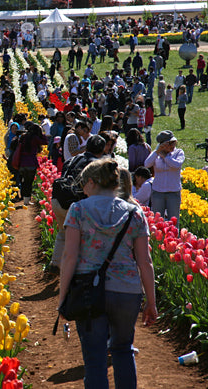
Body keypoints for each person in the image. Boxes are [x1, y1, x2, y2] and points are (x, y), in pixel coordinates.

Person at [58, 158, 157, 389]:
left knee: (95, 360)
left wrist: (63, 298)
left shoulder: (78, 209)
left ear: (92, 182)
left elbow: (69, 257)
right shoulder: (135, 212)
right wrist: (150, 302)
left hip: (89, 292)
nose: (82, 188)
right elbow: (145, 261)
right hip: (127, 291)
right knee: (123, 351)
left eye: (83, 183)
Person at [48, 135, 106, 273]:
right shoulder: (95, 165)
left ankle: (55, 264)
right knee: (81, 237)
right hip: (74, 205)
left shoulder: (73, 159)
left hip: (57, 200)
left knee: (63, 232)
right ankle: (76, 270)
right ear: (102, 150)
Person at [144, 130, 185, 224]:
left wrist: (165, 157)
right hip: (158, 191)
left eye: (173, 143)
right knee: (157, 221)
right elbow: (146, 164)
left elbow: (177, 165)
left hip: (173, 192)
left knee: (174, 221)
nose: (172, 146)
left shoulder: (178, 152)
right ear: (161, 145)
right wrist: (157, 152)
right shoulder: (156, 154)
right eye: (168, 144)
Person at [17, 122, 48, 205]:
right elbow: (45, 142)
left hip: (22, 162)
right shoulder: (35, 138)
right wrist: (42, 134)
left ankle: (23, 196)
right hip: (31, 162)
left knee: (24, 181)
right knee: (29, 182)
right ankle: (26, 200)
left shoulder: (23, 136)